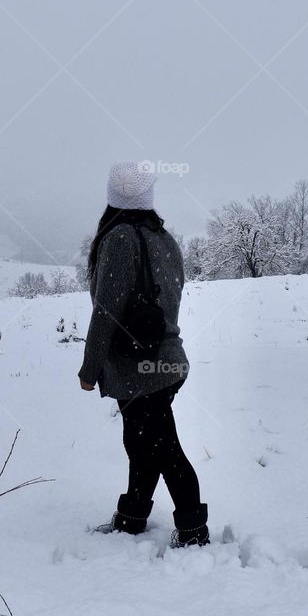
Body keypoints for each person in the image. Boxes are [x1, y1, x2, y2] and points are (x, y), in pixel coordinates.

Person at [78, 161, 209, 547]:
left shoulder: (119, 238)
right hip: (167, 360)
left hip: (140, 368)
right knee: (143, 442)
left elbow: (106, 311)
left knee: (163, 448)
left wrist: (89, 369)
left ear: (111, 197)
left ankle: (192, 531)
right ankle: (133, 515)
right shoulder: (164, 238)